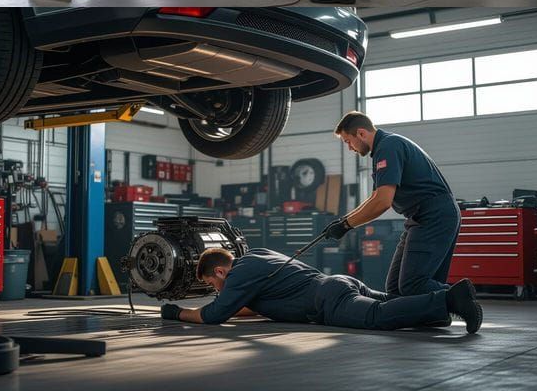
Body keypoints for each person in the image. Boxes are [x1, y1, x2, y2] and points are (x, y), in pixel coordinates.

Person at [160, 247, 482, 333]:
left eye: (212, 283)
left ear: (220, 271)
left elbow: (215, 315)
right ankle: (436, 313)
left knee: (377, 316)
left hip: (328, 300)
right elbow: (239, 308)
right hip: (335, 284)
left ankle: (451, 298)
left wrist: (177, 312)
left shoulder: (239, 275)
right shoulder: (255, 257)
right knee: (390, 301)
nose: (216, 288)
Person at [324, 111, 461, 296]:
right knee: (396, 288)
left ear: (361, 133)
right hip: (424, 216)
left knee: (413, 284)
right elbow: (375, 197)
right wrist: (343, 221)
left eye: (348, 141)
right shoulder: (383, 148)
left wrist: (346, 225)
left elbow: (383, 202)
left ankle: (462, 298)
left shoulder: (388, 147)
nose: (349, 148)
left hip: (433, 214)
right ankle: (440, 309)